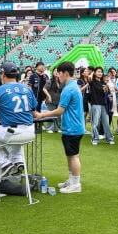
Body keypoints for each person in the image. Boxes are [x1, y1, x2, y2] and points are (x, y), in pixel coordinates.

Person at [34, 61, 84, 194]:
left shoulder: (69, 89)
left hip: (73, 127)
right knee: (71, 155)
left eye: (59, 73)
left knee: (73, 156)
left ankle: (76, 184)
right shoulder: (73, 86)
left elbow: (59, 110)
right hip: (73, 126)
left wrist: (41, 115)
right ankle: (72, 180)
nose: (57, 76)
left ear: (66, 73)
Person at [89, 67, 114, 145]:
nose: (100, 73)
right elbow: (89, 77)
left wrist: (107, 88)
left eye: (101, 72)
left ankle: (109, 138)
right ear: (95, 73)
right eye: (98, 72)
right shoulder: (92, 81)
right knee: (95, 123)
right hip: (95, 104)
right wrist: (93, 72)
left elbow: (108, 93)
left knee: (106, 122)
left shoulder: (103, 82)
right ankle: (95, 138)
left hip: (104, 105)